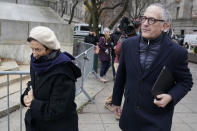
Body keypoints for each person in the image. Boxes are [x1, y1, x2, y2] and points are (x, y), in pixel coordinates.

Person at [112, 3, 193, 131]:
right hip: (129, 117)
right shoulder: (128, 45)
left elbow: (186, 82)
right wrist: (116, 101)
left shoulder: (177, 52)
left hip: (156, 120)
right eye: (144, 18)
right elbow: (121, 76)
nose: (144, 23)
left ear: (165, 25)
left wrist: (171, 96)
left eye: (152, 20)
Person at [21, 26, 81, 131]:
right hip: (37, 123)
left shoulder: (63, 70)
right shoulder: (36, 61)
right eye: (32, 49)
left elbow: (57, 110)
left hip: (58, 126)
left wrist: (33, 103)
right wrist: (26, 96)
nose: (34, 54)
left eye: (38, 49)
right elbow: (34, 82)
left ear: (49, 48)